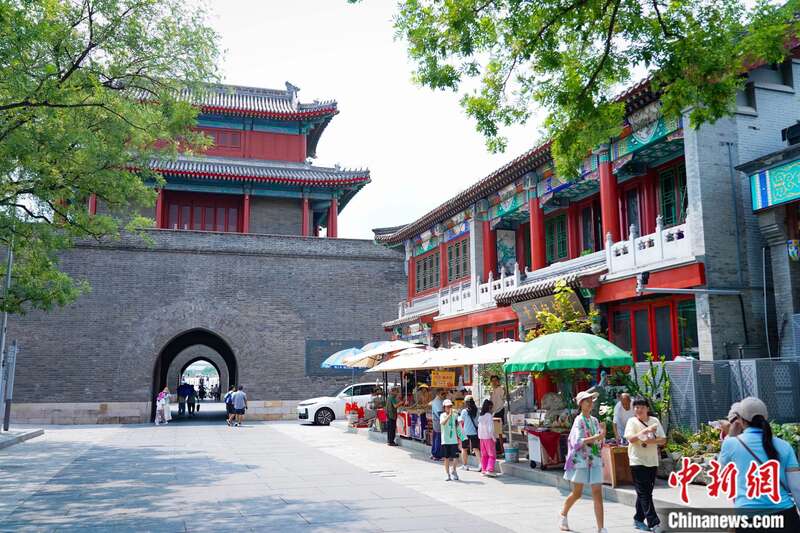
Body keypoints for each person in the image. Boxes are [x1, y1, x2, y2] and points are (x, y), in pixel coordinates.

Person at [719, 397, 800, 532]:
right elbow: (796, 487)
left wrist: (730, 435)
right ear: (766, 417)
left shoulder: (731, 444)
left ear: (741, 420)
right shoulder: (784, 446)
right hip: (785, 516)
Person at [560, 390, 607, 533]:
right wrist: (598, 437)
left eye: (591, 401)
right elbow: (578, 442)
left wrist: (602, 436)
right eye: (587, 401)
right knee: (577, 493)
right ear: (581, 404)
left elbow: (599, 442)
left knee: (597, 492)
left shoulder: (594, 420)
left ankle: (601, 528)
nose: (590, 403)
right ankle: (563, 514)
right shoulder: (578, 420)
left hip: (595, 459)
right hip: (581, 461)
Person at [625, 397, 667, 532]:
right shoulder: (632, 421)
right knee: (644, 493)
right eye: (636, 407)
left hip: (652, 461)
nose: (639, 410)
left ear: (647, 408)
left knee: (645, 492)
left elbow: (663, 440)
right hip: (637, 461)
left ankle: (638, 519)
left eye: (642, 407)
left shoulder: (655, 421)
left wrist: (650, 441)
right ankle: (654, 523)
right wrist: (645, 431)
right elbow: (631, 439)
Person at [440, 399, 463, 481]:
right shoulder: (442, 415)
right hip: (445, 440)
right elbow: (442, 423)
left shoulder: (454, 415)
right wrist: (449, 415)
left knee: (455, 457)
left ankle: (454, 470)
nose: (449, 408)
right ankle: (447, 473)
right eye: (447, 407)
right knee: (446, 458)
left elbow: (459, 423)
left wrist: (457, 414)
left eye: (450, 406)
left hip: (453, 440)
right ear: (444, 407)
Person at [459, 395, 481, 471]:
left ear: (466, 402)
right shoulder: (477, 410)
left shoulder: (464, 411)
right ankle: (480, 464)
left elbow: (461, 420)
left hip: (466, 432)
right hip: (474, 432)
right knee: (476, 448)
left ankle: (465, 465)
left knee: (464, 449)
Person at [478, 399, 497, 476]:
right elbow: (490, 429)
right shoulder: (489, 416)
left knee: (484, 455)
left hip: (481, 438)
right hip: (488, 437)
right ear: (490, 407)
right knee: (492, 455)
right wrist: (494, 438)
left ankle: (484, 469)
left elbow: (479, 428)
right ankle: (489, 469)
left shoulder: (481, 416)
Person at [430, 389, 446, 461]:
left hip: (436, 422)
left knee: (436, 437)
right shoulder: (438, 402)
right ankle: (438, 455)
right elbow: (440, 413)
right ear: (439, 394)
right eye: (443, 394)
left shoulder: (435, 401)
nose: (444, 396)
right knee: (438, 438)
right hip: (438, 422)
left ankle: (434, 453)